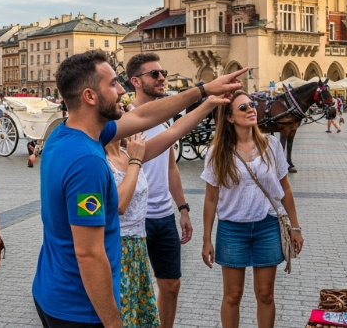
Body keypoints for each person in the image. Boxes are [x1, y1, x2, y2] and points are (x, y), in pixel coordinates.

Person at [32, 49, 246, 327]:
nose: (122, 90)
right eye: (112, 84)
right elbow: (88, 254)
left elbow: (145, 117)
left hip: (51, 291)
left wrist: (204, 91)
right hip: (79, 308)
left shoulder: (65, 134)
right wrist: (113, 322)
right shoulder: (87, 162)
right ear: (90, 96)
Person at [106, 95, 225, 327]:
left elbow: (173, 134)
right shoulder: (105, 157)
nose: (122, 103)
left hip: (138, 246)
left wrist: (208, 101)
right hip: (118, 246)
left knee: (141, 312)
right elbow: (119, 205)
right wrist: (136, 161)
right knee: (123, 314)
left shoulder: (128, 151)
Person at [201, 91, 304, 328]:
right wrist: (206, 240)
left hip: (267, 227)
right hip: (231, 230)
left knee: (265, 294)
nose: (251, 109)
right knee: (232, 296)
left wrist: (296, 227)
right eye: (243, 107)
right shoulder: (217, 152)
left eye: (252, 105)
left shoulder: (272, 145)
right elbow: (210, 198)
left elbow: (285, 189)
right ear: (229, 118)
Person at [123, 52, 194, 328]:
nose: (162, 77)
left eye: (162, 72)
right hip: (135, 218)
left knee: (171, 284)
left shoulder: (164, 122)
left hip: (164, 217)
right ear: (136, 82)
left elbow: (171, 168)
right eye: (154, 74)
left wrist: (183, 208)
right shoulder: (126, 123)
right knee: (133, 289)